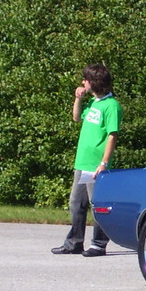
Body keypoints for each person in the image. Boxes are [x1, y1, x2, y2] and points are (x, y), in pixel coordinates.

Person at [51, 64, 122, 257]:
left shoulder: (111, 105)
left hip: (96, 164)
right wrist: (78, 99)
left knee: (97, 204)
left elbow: (112, 135)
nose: (83, 82)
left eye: (86, 79)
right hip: (82, 162)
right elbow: (76, 118)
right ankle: (74, 242)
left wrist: (104, 163)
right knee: (76, 203)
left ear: (94, 82)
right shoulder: (93, 102)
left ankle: (99, 244)